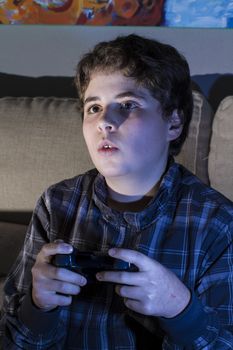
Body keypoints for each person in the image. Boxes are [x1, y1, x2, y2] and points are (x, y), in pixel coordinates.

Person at [0, 34, 233, 350]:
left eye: (128, 104)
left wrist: (181, 309)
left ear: (174, 123)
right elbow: (13, 340)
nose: (104, 122)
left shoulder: (218, 223)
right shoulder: (57, 204)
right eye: (93, 107)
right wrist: (38, 305)